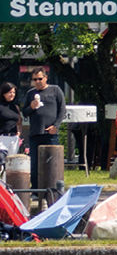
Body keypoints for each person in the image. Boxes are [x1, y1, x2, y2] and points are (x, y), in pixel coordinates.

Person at [23, 68, 65, 196]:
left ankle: (54, 189)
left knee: (52, 163)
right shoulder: (30, 93)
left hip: (51, 134)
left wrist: (56, 126)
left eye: (40, 79)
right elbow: (24, 112)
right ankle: (36, 190)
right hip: (35, 133)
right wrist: (31, 107)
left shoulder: (55, 90)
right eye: (35, 79)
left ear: (46, 78)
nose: (37, 81)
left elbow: (62, 110)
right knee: (35, 164)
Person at [0, 83, 19, 156]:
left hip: (14, 138)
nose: (12, 94)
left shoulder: (15, 107)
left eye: (14, 92)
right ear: (4, 93)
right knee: (1, 160)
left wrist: (19, 132)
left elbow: (19, 122)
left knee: (12, 163)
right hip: (2, 137)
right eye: (9, 92)